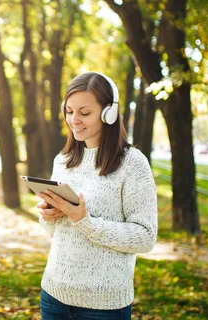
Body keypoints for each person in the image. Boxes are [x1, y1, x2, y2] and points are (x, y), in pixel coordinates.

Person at [36, 71, 157, 319]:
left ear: (108, 113)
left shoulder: (133, 164)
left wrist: (85, 220)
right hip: (54, 295)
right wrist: (48, 215)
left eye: (85, 112)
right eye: (69, 111)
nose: (74, 120)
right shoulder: (63, 161)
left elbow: (145, 237)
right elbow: (55, 232)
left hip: (103, 306)